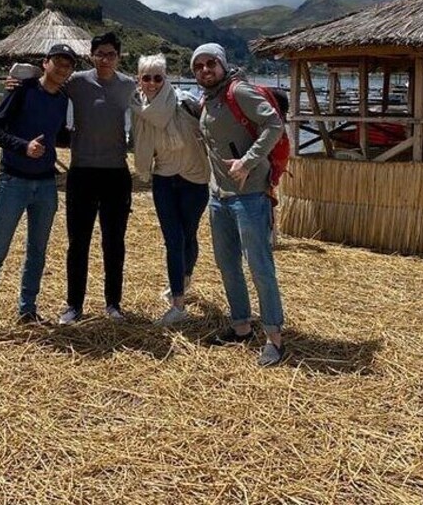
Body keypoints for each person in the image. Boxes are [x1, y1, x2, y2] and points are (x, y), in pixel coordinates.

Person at [0, 44, 77, 344]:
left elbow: (59, 136)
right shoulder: (21, 90)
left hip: (46, 184)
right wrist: (23, 146)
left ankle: (27, 310)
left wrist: (90, 134)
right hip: (13, 181)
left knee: (37, 252)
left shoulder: (63, 98)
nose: (63, 68)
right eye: (59, 63)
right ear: (45, 63)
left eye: (69, 65)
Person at [191, 43, 287, 367]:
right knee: (227, 264)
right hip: (219, 197)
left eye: (210, 64)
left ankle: (274, 337)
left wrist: (247, 162)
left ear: (222, 64)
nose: (205, 70)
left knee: (260, 266)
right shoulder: (208, 100)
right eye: (198, 66)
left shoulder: (239, 91)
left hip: (250, 197)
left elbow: (274, 124)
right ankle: (241, 326)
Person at [58, 32, 136, 324]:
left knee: (114, 242)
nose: (105, 59)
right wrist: (16, 85)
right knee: (78, 242)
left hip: (116, 173)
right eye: (100, 53)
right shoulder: (76, 82)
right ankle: (74, 305)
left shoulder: (129, 85)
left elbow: (154, 107)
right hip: (81, 172)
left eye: (111, 54)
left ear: (118, 57)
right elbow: (47, 86)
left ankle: (113, 303)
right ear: (92, 55)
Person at [130, 54, 210, 326]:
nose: (152, 83)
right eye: (146, 78)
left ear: (166, 78)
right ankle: (178, 302)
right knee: (173, 240)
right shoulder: (137, 107)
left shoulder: (186, 102)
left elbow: (214, 126)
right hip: (163, 178)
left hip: (194, 179)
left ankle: (185, 279)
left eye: (158, 78)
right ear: (138, 79)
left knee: (189, 235)